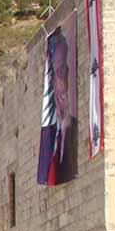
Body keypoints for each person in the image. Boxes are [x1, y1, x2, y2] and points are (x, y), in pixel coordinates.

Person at [38, 28, 78, 185]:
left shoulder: (75, 129)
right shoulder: (51, 136)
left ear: (69, 72)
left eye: (62, 71)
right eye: (56, 73)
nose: (60, 82)